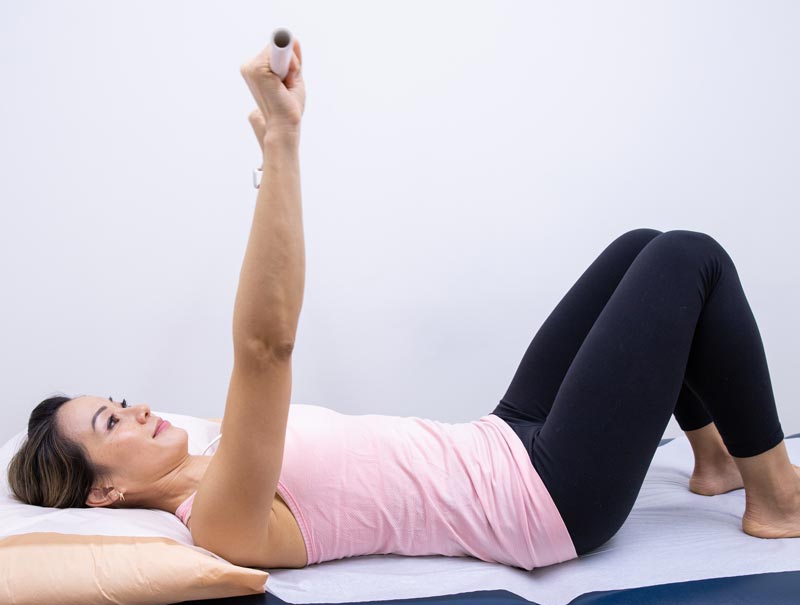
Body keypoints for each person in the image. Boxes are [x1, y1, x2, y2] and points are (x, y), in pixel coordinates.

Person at [8, 37, 800, 572]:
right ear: (103, 492)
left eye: (115, 401)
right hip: (548, 500)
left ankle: (716, 460)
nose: (136, 408)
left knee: (640, 246)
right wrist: (281, 145)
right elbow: (265, 347)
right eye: (111, 424)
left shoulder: (210, 447)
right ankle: (777, 500)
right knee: (690, 258)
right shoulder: (217, 517)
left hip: (504, 438)